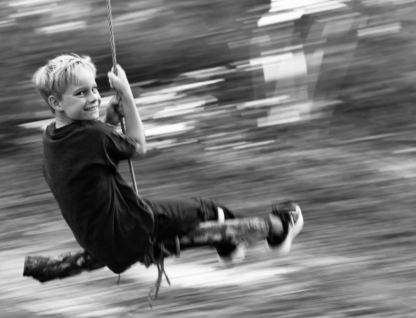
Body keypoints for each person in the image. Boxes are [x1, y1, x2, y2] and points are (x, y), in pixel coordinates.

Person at [32, 53, 303, 275]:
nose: (93, 98)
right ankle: (275, 230)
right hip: (130, 227)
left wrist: (110, 123)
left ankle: (229, 246)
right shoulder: (94, 134)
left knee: (182, 211)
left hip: (98, 239)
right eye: (80, 93)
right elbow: (138, 147)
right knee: (206, 208)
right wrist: (126, 95)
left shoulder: (51, 137)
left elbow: (92, 155)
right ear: (56, 102)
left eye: (94, 88)